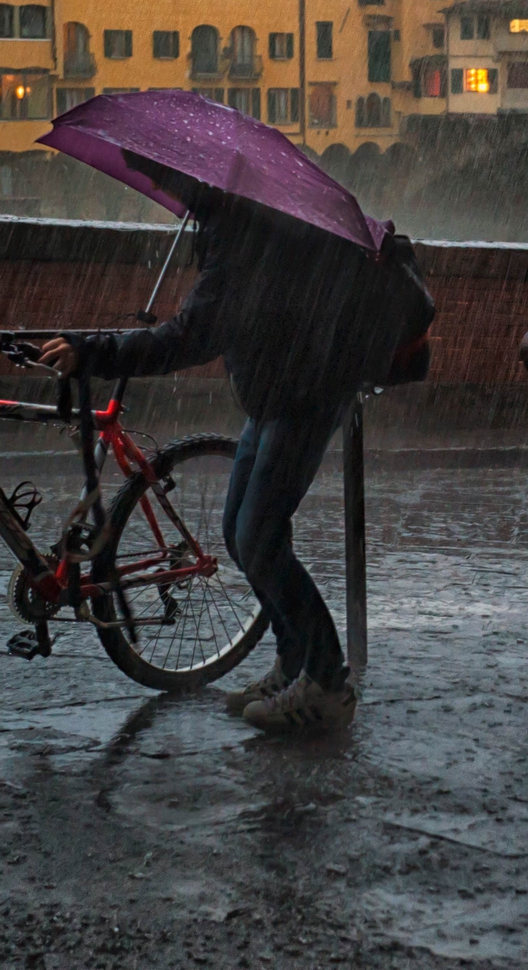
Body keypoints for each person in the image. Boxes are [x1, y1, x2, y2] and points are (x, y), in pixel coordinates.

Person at [40, 179, 432, 734]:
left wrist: (95, 352)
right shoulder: (238, 217)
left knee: (258, 536)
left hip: (306, 393)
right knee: (236, 529)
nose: (157, 184)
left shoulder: (244, 229)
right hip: (277, 390)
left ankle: (326, 681)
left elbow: (191, 336)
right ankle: (294, 661)